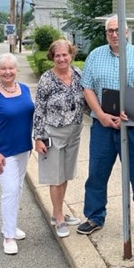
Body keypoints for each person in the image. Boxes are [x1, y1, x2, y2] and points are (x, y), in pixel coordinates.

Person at [77, 15, 134, 236]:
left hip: (133, 126)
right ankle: (94, 216)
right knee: (97, 172)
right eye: (110, 30)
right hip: (102, 126)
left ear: (127, 32)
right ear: (106, 34)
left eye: (118, 30)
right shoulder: (95, 55)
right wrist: (101, 115)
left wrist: (128, 116)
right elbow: (87, 87)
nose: (114, 34)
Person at [0, 53, 34, 255]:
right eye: (3, 68)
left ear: (16, 69)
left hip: (24, 149)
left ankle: (10, 225)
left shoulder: (24, 89)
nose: (7, 72)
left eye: (11, 68)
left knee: (17, 189)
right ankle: (8, 237)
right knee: (10, 191)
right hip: (4, 153)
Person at [33, 39, 84, 238]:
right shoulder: (46, 79)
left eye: (65, 54)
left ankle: (58, 211)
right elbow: (38, 110)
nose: (62, 59)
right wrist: (38, 137)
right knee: (55, 177)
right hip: (53, 133)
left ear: (71, 55)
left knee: (65, 175)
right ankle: (59, 218)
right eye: (57, 55)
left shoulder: (78, 74)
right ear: (52, 57)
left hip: (74, 132)